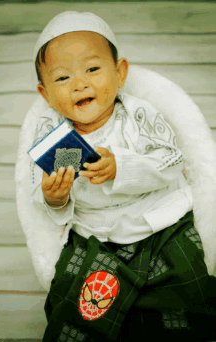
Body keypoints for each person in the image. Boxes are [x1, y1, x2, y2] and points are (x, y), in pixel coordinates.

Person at [29, 11, 216, 342]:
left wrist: (122, 166)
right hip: (96, 238)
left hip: (162, 228)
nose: (80, 83)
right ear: (45, 95)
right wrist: (54, 197)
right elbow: (49, 196)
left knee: (187, 300)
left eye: (92, 69)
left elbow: (170, 161)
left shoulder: (137, 117)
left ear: (119, 73)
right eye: (62, 78)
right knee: (73, 310)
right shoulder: (57, 136)